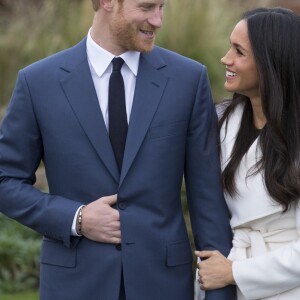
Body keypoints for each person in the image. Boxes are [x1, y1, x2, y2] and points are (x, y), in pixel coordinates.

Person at [0, 0, 236, 299]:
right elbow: (5, 180)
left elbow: (208, 201)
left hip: (162, 285)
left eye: (162, 7)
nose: (158, 20)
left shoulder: (188, 80)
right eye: (148, 7)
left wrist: (219, 294)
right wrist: (77, 218)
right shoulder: (38, 82)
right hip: (74, 286)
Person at [194, 6, 300, 300]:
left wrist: (234, 273)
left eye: (239, 52)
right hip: (225, 282)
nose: (225, 59)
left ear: (270, 63)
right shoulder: (220, 120)